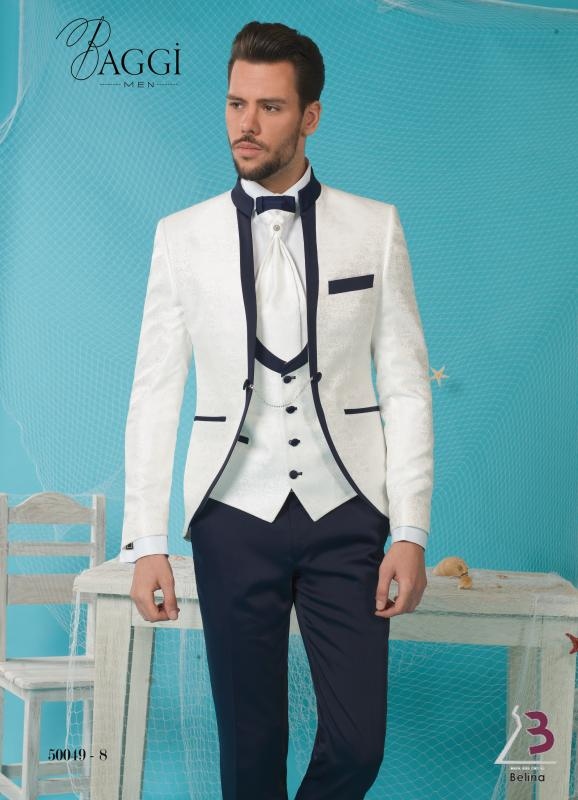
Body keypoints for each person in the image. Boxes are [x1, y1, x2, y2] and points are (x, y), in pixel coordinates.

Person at [119, 20, 434, 800]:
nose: (247, 125)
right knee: (250, 748)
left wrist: (411, 530)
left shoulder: (376, 228)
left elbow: (405, 386)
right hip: (232, 514)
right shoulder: (180, 238)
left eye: (270, 107)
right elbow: (154, 391)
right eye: (236, 104)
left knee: (359, 744)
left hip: (347, 513)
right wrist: (145, 542)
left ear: (310, 116)